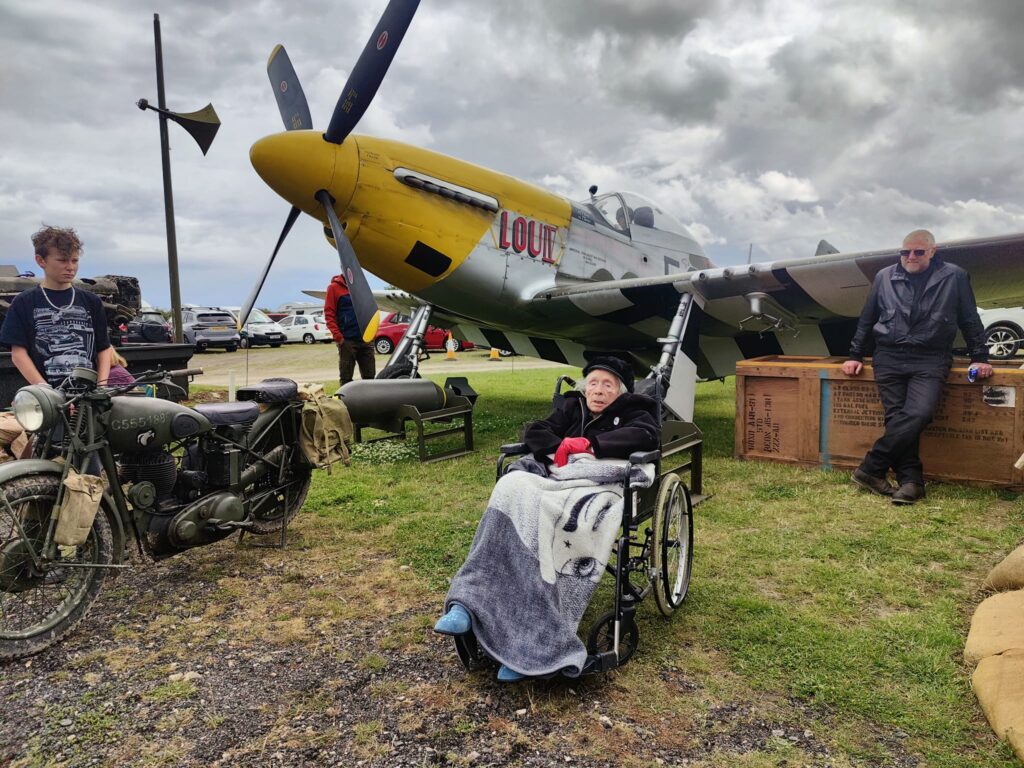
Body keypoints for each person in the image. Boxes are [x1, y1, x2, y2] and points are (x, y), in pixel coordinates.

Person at [433, 356, 659, 681]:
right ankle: (469, 603)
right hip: (554, 477)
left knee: (565, 520)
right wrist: (562, 447)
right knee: (511, 488)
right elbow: (536, 430)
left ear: (620, 391)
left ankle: (534, 644)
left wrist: (591, 445)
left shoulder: (637, 410)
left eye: (607, 385)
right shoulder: (572, 406)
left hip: (596, 486)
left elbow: (645, 436)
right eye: (593, 383)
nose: (597, 390)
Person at [841, 229, 993, 504]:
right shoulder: (884, 277)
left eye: (918, 251)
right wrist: (855, 354)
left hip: (931, 357)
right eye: (905, 251)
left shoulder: (954, 276)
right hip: (888, 355)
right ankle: (911, 483)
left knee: (919, 413)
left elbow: (969, 319)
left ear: (932, 251)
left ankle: (870, 467)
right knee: (897, 417)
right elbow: (867, 318)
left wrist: (980, 356)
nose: (910, 256)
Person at [0, 225, 111, 388]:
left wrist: (102, 387)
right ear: (40, 260)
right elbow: (18, 354)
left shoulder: (91, 301)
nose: (70, 267)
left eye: (74, 260)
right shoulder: (24, 302)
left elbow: (104, 349)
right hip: (44, 401)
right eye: (62, 260)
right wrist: (47, 393)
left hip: (88, 399)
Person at [323, 273, 375, 386]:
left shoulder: (361, 286)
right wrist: (339, 337)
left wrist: (372, 334)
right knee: (346, 378)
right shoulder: (334, 288)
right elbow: (329, 314)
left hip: (366, 340)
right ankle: (344, 403)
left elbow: (370, 309)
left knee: (370, 377)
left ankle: (369, 402)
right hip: (347, 340)